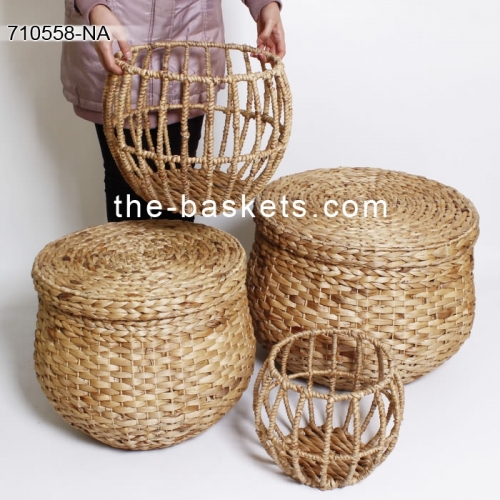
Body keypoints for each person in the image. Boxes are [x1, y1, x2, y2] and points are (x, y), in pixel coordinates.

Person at [61, 1, 286, 222]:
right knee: (125, 187)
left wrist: (265, 3)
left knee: (181, 184)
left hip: (190, 38)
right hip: (116, 35)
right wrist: (95, 8)